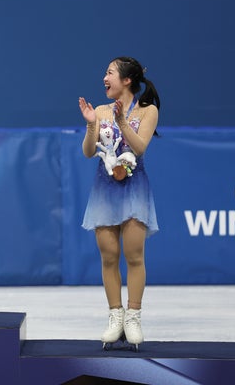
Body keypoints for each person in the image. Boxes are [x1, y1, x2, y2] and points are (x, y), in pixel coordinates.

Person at [78, 56, 160, 350]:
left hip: (135, 190)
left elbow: (140, 147)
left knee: (134, 255)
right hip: (105, 190)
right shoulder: (101, 110)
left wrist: (123, 122)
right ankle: (115, 315)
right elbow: (89, 152)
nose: (104, 77)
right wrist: (91, 125)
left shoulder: (148, 110)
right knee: (109, 256)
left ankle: (133, 317)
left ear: (126, 80)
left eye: (110, 72)